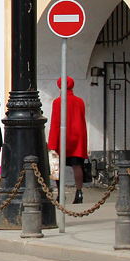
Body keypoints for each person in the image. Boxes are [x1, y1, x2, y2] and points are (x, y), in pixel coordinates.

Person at [48, 76, 88, 204]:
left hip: (62, 138)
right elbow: (82, 120)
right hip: (77, 137)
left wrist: (52, 143)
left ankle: (60, 194)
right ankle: (79, 192)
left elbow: (55, 123)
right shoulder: (80, 101)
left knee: (57, 167)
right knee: (77, 166)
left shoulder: (57, 102)